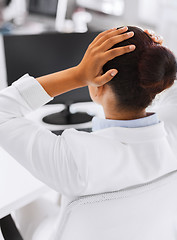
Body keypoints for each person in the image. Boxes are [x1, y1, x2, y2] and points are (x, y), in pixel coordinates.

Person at [0, 26, 176, 239]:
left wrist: (77, 75)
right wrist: (155, 58)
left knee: (25, 206)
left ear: (97, 84)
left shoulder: (75, 159)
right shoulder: (173, 132)